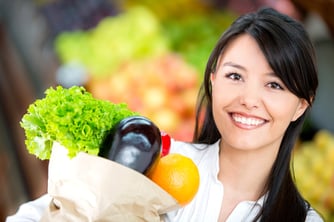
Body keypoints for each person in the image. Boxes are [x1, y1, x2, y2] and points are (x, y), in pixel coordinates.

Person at [7, 7, 323, 222]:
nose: (249, 100)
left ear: (301, 105)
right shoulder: (158, 162)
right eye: (235, 76)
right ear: (212, 80)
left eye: (274, 85)